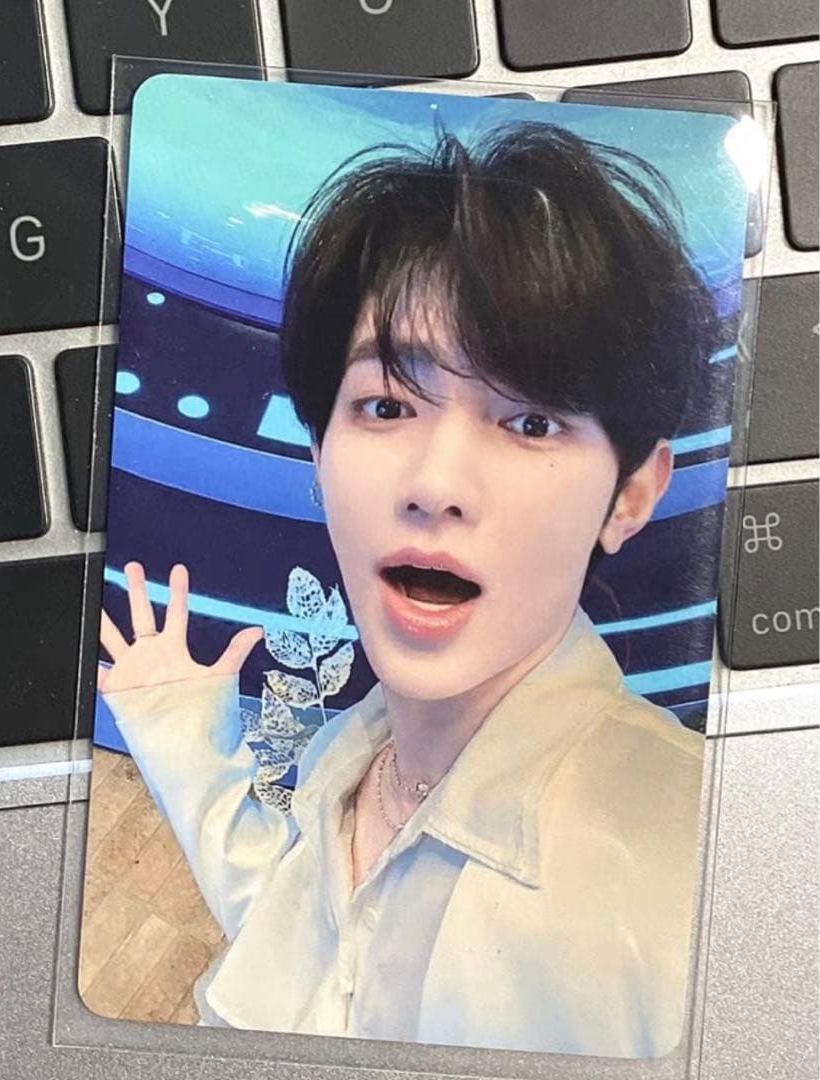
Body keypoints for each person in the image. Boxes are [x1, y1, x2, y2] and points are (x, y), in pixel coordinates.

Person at [95, 121, 720, 1057]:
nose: (435, 483)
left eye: (531, 422)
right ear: (320, 450)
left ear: (631, 493)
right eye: (386, 405)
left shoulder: (689, 867)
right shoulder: (367, 744)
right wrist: (179, 732)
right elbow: (303, 937)